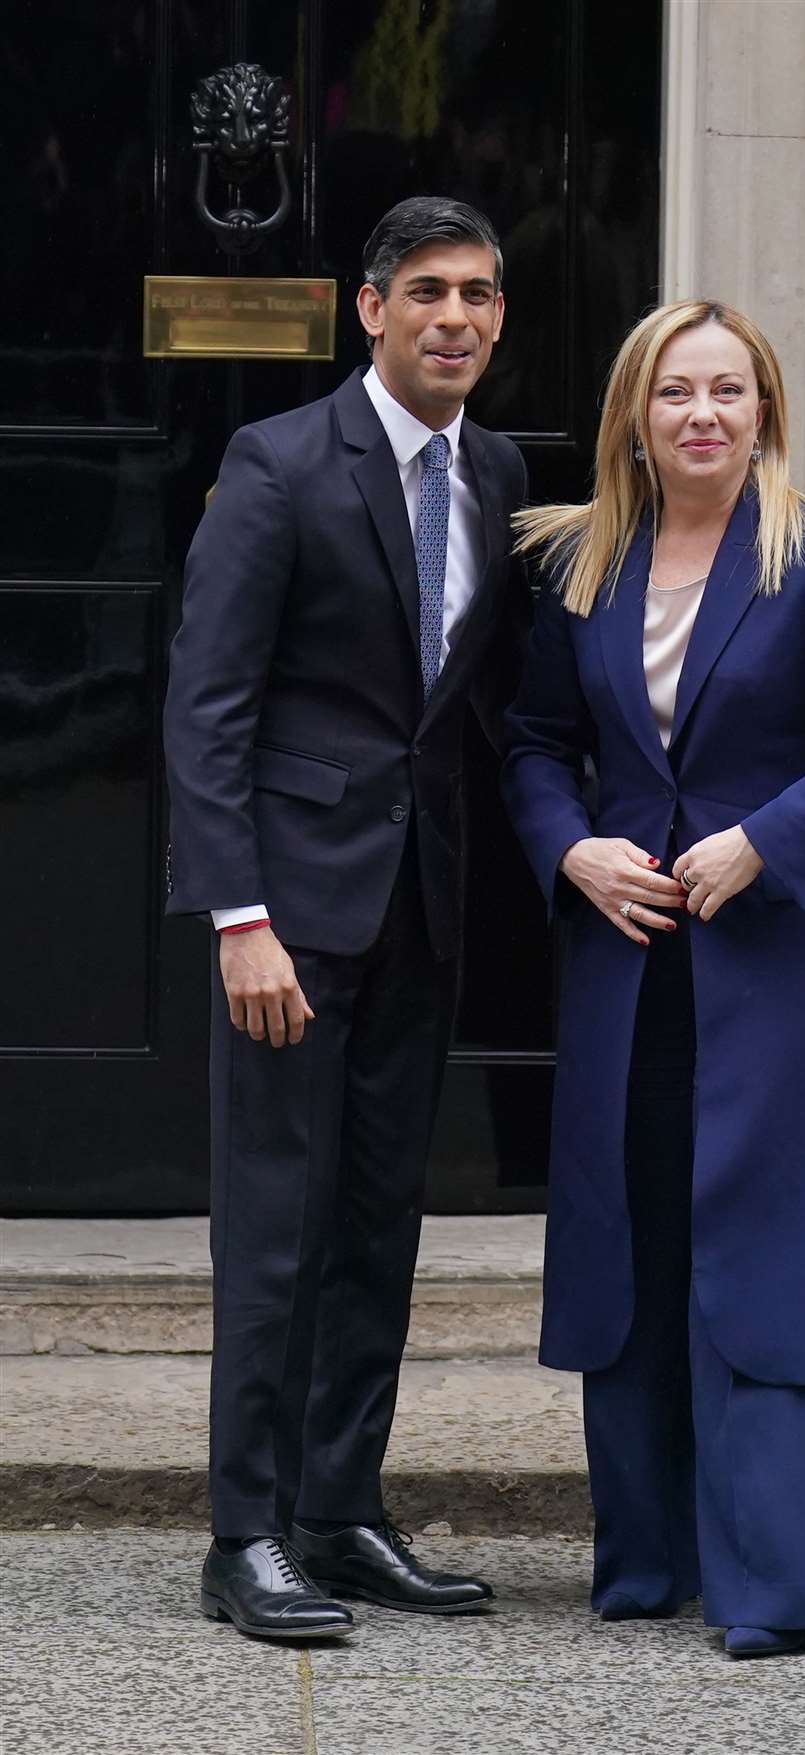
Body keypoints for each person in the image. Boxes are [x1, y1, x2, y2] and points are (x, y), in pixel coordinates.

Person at [502, 300, 805, 1658]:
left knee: (764, 1256)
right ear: (635, 415)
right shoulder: (582, 562)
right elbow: (529, 741)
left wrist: (766, 841)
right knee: (636, 1247)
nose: (704, 415)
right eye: (676, 392)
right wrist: (570, 850)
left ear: (765, 413)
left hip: (777, 980)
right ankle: (648, 1564)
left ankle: (774, 1592)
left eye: (730, 392)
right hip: (629, 972)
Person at [163, 196, 530, 1640]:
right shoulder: (277, 463)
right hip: (290, 918)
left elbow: (497, 701)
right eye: (429, 290)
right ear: (368, 309)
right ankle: (243, 1530)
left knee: (381, 1224)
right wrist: (238, 916)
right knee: (274, 1229)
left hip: (421, 913)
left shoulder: (498, 472)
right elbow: (207, 708)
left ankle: (341, 1508)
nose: (456, 316)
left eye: (481, 294)